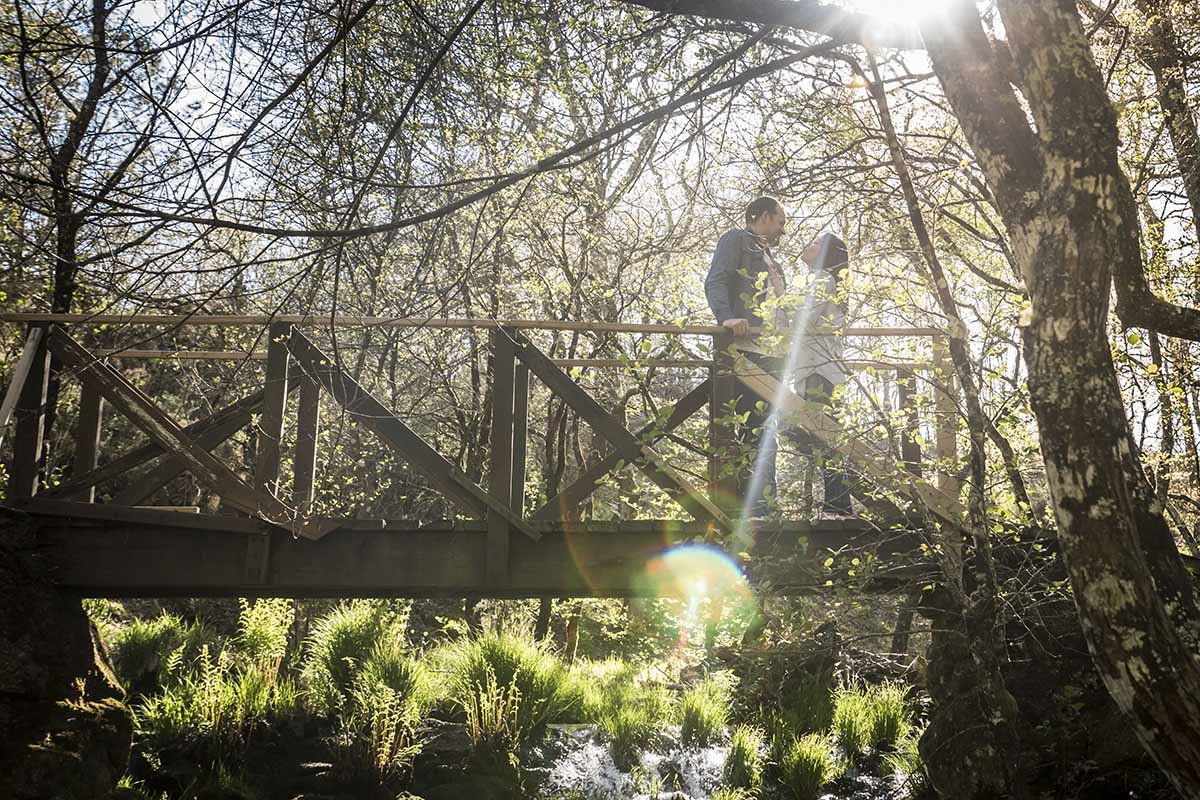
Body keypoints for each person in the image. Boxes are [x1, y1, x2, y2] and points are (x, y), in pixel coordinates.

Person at [705, 196, 790, 517]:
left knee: (766, 426)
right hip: (747, 351)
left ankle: (764, 504)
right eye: (780, 221)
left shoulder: (769, 256)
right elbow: (716, 279)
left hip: (774, 353)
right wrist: (725, 317)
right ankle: (747, 506)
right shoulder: (736, 240)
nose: (783, 229)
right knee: (748, 426)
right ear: (765, 217)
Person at [792, 232, 853, 517]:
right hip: (827, 369)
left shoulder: (823, 280)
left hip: (819, 370)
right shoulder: (827, 281)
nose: (807, 245)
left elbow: (804, 319)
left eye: (814, 242)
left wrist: (778, 302)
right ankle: (838, 504)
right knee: (827, 436)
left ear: (824, 253)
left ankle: (838, 506)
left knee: (822, 437)